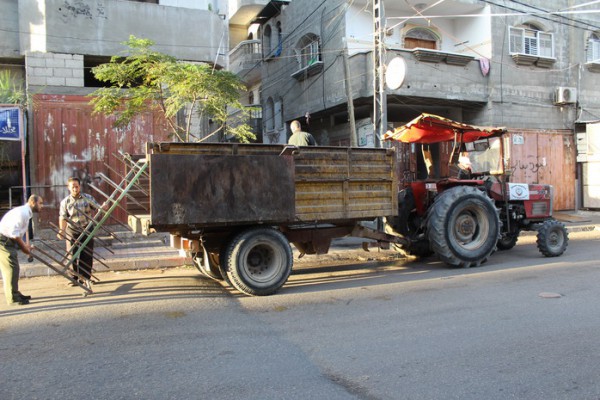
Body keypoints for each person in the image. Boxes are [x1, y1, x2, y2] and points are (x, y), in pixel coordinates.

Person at [57, 177, 103, 287]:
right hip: (72, 230)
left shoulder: (87, 198)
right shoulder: (65, 202)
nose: (75, 189)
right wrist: (61, 231)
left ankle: (86, 277)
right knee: (72, 254)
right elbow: (62, 217)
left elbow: (98, 208)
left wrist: (103, 207)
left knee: (86, 253)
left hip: (87, 228)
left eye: (76, 186)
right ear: (69, 188)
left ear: (79, 187)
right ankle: (73, 278)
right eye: (72, 187)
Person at [0, 195, 44, 306]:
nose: (42, 206)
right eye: (40, 203)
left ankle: (15, 292)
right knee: (10, 268)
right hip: (3, 241)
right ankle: (12, 298)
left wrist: (25, 246)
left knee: (14, 268)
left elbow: (17, 234)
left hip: (8, 240)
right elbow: (14, 234)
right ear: (33, 202)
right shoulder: (22, 213)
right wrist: (24, 248)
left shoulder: (26, 213)